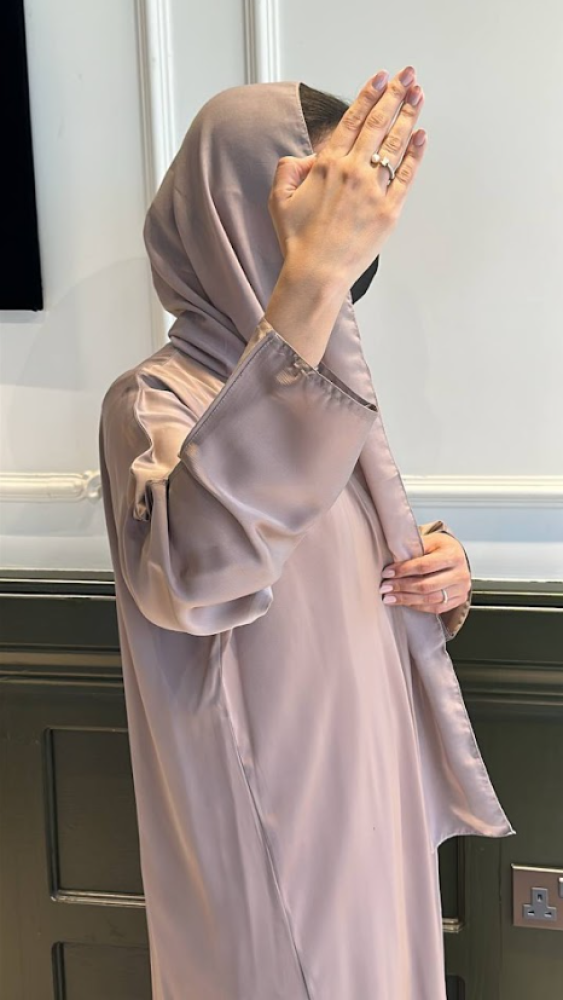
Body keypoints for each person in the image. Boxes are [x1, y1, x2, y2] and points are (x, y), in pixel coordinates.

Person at [98, 66, 516, 999]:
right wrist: (312, 280)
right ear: (233, 214)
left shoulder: (320, 383)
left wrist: (435, 573)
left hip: (366, 785)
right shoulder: (155, 400)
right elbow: (195, 570)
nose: (345, 241)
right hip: (272, 812)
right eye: (319, 205)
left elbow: (320, 564)